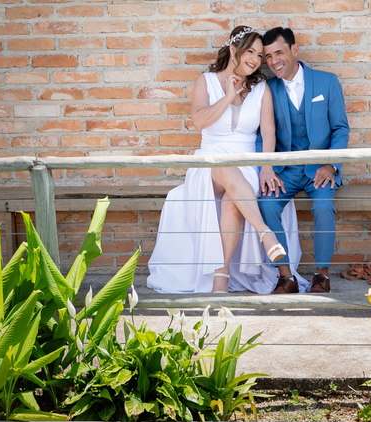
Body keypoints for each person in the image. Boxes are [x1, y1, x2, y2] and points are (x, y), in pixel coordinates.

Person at [146, 26, 307, 294]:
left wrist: (267, 167)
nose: (256, 60)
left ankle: (221, 276)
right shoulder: (206, 81)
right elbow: (199, 121)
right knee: (224, 169)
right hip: (208, 162)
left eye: (259, 54)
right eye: (250, 52)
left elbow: (268, 131)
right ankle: (266, 234)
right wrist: (229, 96)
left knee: (234, 201)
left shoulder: (260, 87)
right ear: (234, 50)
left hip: (246, 165)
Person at [258, 26, 350, 295]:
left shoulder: (327, 82)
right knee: (266, 204)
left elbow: (340, 129)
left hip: (319, 169)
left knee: (323, 208)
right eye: (268, 56)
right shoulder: (267, 89)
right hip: (284, 170)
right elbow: (261, 132)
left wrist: (331, 165)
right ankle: (286, 277)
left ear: (294, 50)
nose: (274, 61)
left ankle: (322, 274)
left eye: (279, 53)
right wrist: (267, 169)